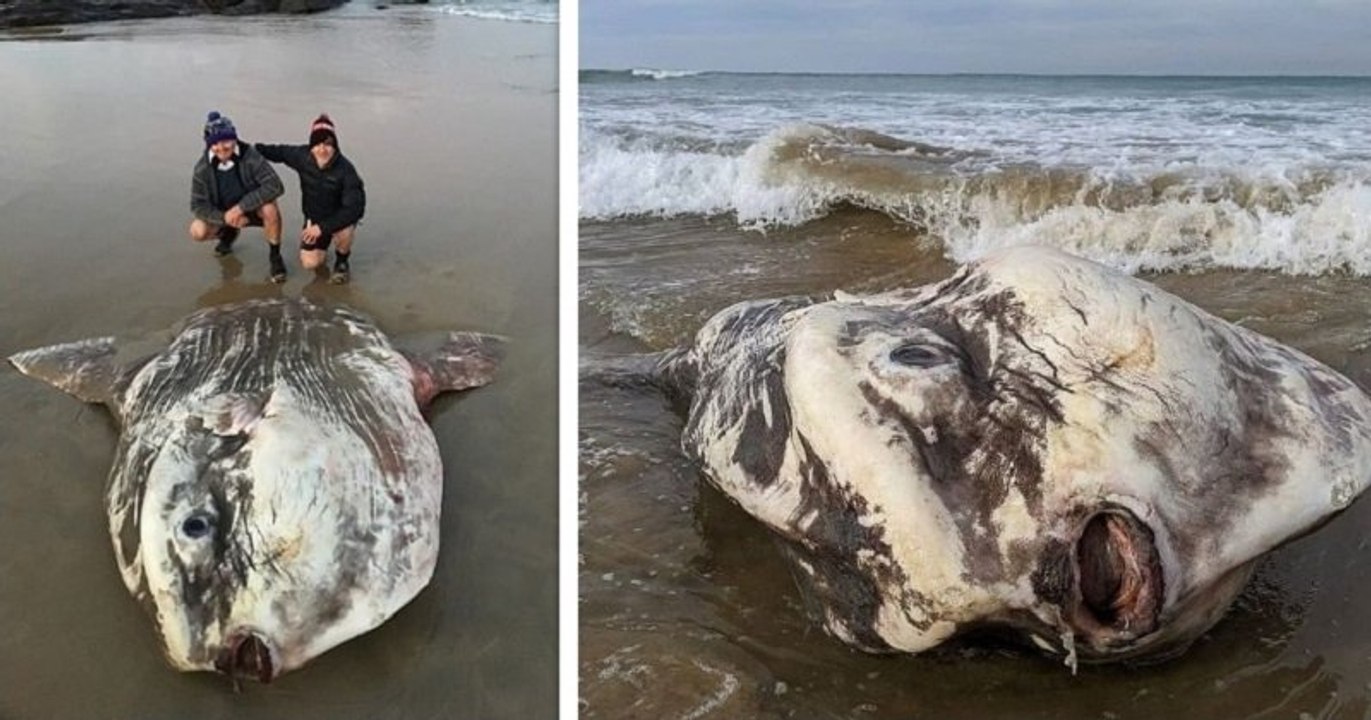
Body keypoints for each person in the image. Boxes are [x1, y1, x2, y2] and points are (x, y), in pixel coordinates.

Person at [255, 114, 366, 284]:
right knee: (310, 263)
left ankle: (342, 261)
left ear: (335, 146)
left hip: (338, 220)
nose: (322, 149)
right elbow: (278, 152)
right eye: (317, 144)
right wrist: (248, 149)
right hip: (312, 220)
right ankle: (323, 246)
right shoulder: (302, 156)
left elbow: (355, 209)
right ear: (311, 146)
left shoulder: (346, 170)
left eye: (328, 144)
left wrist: (323, 228)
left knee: (346, 229)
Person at [189, 111, 288, 283]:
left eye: (226, 141)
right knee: (197, 230)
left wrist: (240, 208)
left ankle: (275, 256)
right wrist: (224, 219)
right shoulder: (201, 169)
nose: (221, 147)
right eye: (215, 143)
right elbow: (197, 205)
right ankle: (227, 235)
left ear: (234, 138)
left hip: (252, 209)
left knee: (270, 209)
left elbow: (275, 186)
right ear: (209, 145)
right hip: (224, 215)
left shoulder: (251, 156)